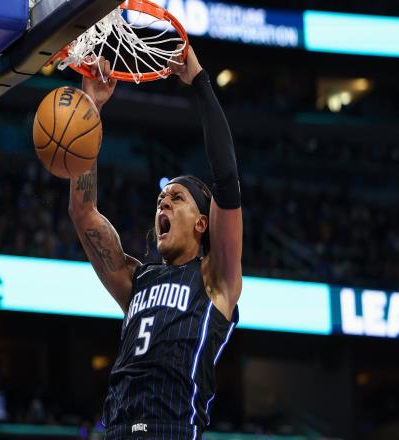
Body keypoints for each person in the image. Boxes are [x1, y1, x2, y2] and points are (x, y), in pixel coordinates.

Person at [68, 46, 243, 440]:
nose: (163, 202)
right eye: (160, 199)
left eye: (176, 198)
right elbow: (83, 212)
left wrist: (199, 81)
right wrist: (91, 108)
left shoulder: (215, 279)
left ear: (202, 223)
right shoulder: (137, 281)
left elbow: (227, 179)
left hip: (172, 431)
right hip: (117, 432)